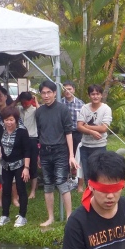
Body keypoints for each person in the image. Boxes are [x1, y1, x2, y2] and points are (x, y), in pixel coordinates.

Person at [35, 80, 77, 227]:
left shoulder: (62, 109)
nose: (46, 95)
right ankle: (50, 217)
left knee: (62, 183)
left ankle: (70, 217)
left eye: (49, 92)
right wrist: (39, 154)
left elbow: (69, 133)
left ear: (54, 93)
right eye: (43, 93)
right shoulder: (39, 111)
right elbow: (39, 134)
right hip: (45, 151)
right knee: (47, 184)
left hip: (60, 150)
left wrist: (71, 155)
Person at [0, 105, 32, 227]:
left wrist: (26, 168)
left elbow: (27, 151)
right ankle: (5, 215)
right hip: (6, 164)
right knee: (6, 189)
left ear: (16, 119)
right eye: (6, 120)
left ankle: (22, 216)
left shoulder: (22, 131)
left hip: (19, 163)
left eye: (11, 120)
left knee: (21, 189)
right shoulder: (0, 127)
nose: (9, 123)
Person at [76, 84, 113, 194]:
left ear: (101, 95)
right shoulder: (85, 108)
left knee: (100, 173)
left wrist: (87, 126)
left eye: (97, 94)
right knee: (87, 174)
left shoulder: (106, 109)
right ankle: (90, 196)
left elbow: (104, 128)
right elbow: (79, 126)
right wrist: (91, 131)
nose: (95, 96)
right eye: (93, 94)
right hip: (85, 147)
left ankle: (100, 194)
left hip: (99, 147)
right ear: (89, 96)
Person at [18, 91, 40, 200]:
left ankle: (33, 191)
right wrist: (17, 100)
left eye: (26, 102)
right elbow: (7, 109)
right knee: (20, 164)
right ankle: (21, 188)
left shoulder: (35, 110)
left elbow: (41, 113)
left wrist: (36, 101)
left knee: (33, 165)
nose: (24, 105)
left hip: (32, 139)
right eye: (22, 102)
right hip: (21, 138)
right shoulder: (19, 109)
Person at [61, 80, 85, 167]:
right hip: (62, 134)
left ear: (73, 90)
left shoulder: (80, 104)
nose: (67, 91)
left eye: (69, 89)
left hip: (76, 133)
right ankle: (66, 175)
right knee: (64, 155)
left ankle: (75, 174)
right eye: (65, 89)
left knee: (76, 154)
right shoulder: (59, 103)